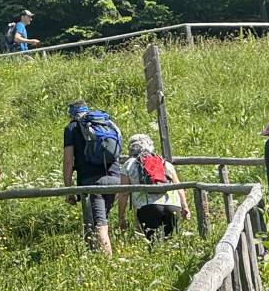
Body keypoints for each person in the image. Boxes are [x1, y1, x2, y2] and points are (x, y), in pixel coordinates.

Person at [62, 100, 122, 256]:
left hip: (93, 182)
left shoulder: (71, 128)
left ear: (71, 115)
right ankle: (96, 255)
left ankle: (108, 263)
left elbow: (68, 161)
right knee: (102, 220)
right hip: (115, 178)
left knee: (100, 225)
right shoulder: (106, 124)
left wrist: (69, 190)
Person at [116, 134, 191, 241]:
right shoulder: (163, 162)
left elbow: (124, 193)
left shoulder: (128, 165)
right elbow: (179, 187)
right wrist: (185, 207)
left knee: (153, 243)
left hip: (147, 207)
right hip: (173, 206)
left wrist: (121, 216)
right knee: (167, 241)